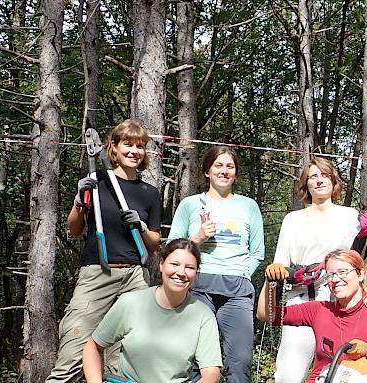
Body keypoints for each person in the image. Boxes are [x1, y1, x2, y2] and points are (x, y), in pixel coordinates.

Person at [47, 119, 162, 382]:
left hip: (135, 276)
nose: (134, 151)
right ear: (114, 148)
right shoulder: (96, 181)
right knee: (73, 352)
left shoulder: (149, 193)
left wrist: (142, 227)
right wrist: (79, 202)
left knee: (126, 359)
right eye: (128, 145)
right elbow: (75, 228)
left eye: (140, 146)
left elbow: (154, 243)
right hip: (97, 272)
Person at [263, 157, 366, 383]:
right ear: (306, 184)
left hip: (338, 302)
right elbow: (279, 265)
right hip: (301, 301)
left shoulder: (350, 217)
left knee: (342, 371)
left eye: (324, 175)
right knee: (288, 373)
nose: (319, 181)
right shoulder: (293, 219)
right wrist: (290, 273)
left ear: (333, 181)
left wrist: (363, 236)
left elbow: (356, 262)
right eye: (313, 177)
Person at [169, 146, 265, 383]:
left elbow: (258, 252)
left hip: (237, 291)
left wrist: (242, 273)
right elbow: (172, 248)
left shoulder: (248, 206)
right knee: (195, 360)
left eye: (229, 166)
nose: (224, 171)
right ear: (207, 171)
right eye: (218, 166)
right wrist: (197, 239)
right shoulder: (191, 204)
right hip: (199, 287)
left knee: (240, 362)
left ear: (235, 173)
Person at [81, 239, 222, 382]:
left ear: (196, 273)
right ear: (161, 264)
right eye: (175, 264)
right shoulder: (130, 303)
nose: (181, 272)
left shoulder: (203, 316)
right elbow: (93, 346)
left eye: (190, 267)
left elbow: (211, 373)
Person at [258, 249, 367, 383]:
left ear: (360, 274)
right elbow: (266, 315)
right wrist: (270, 282)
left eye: (343, 272)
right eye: (330, 275)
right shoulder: (320, 309)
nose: (336, 279)